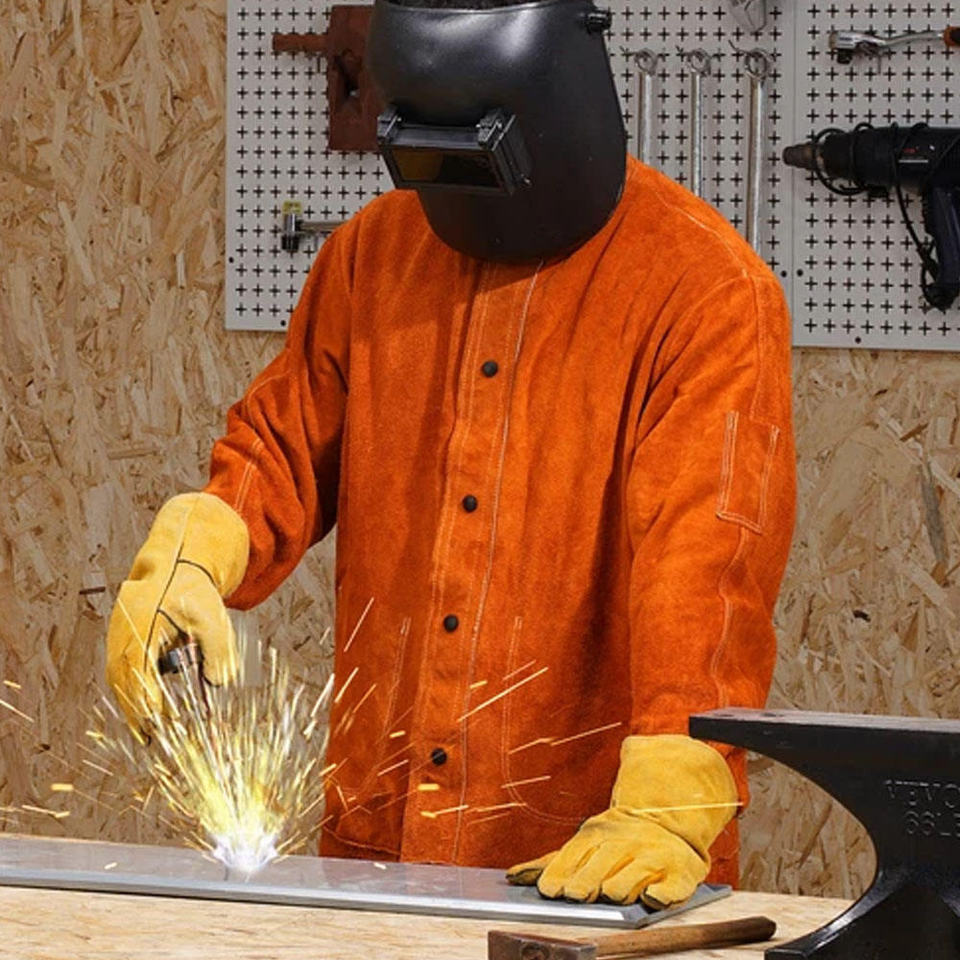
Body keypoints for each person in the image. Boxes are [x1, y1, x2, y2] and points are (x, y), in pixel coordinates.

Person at [105, 0, 796, 907]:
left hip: (586, 869)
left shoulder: (706, 293)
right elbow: (282, 445)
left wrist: (672, 798)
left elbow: (705, 574)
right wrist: (196, 552)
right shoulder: (370, 255)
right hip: (379, 852)